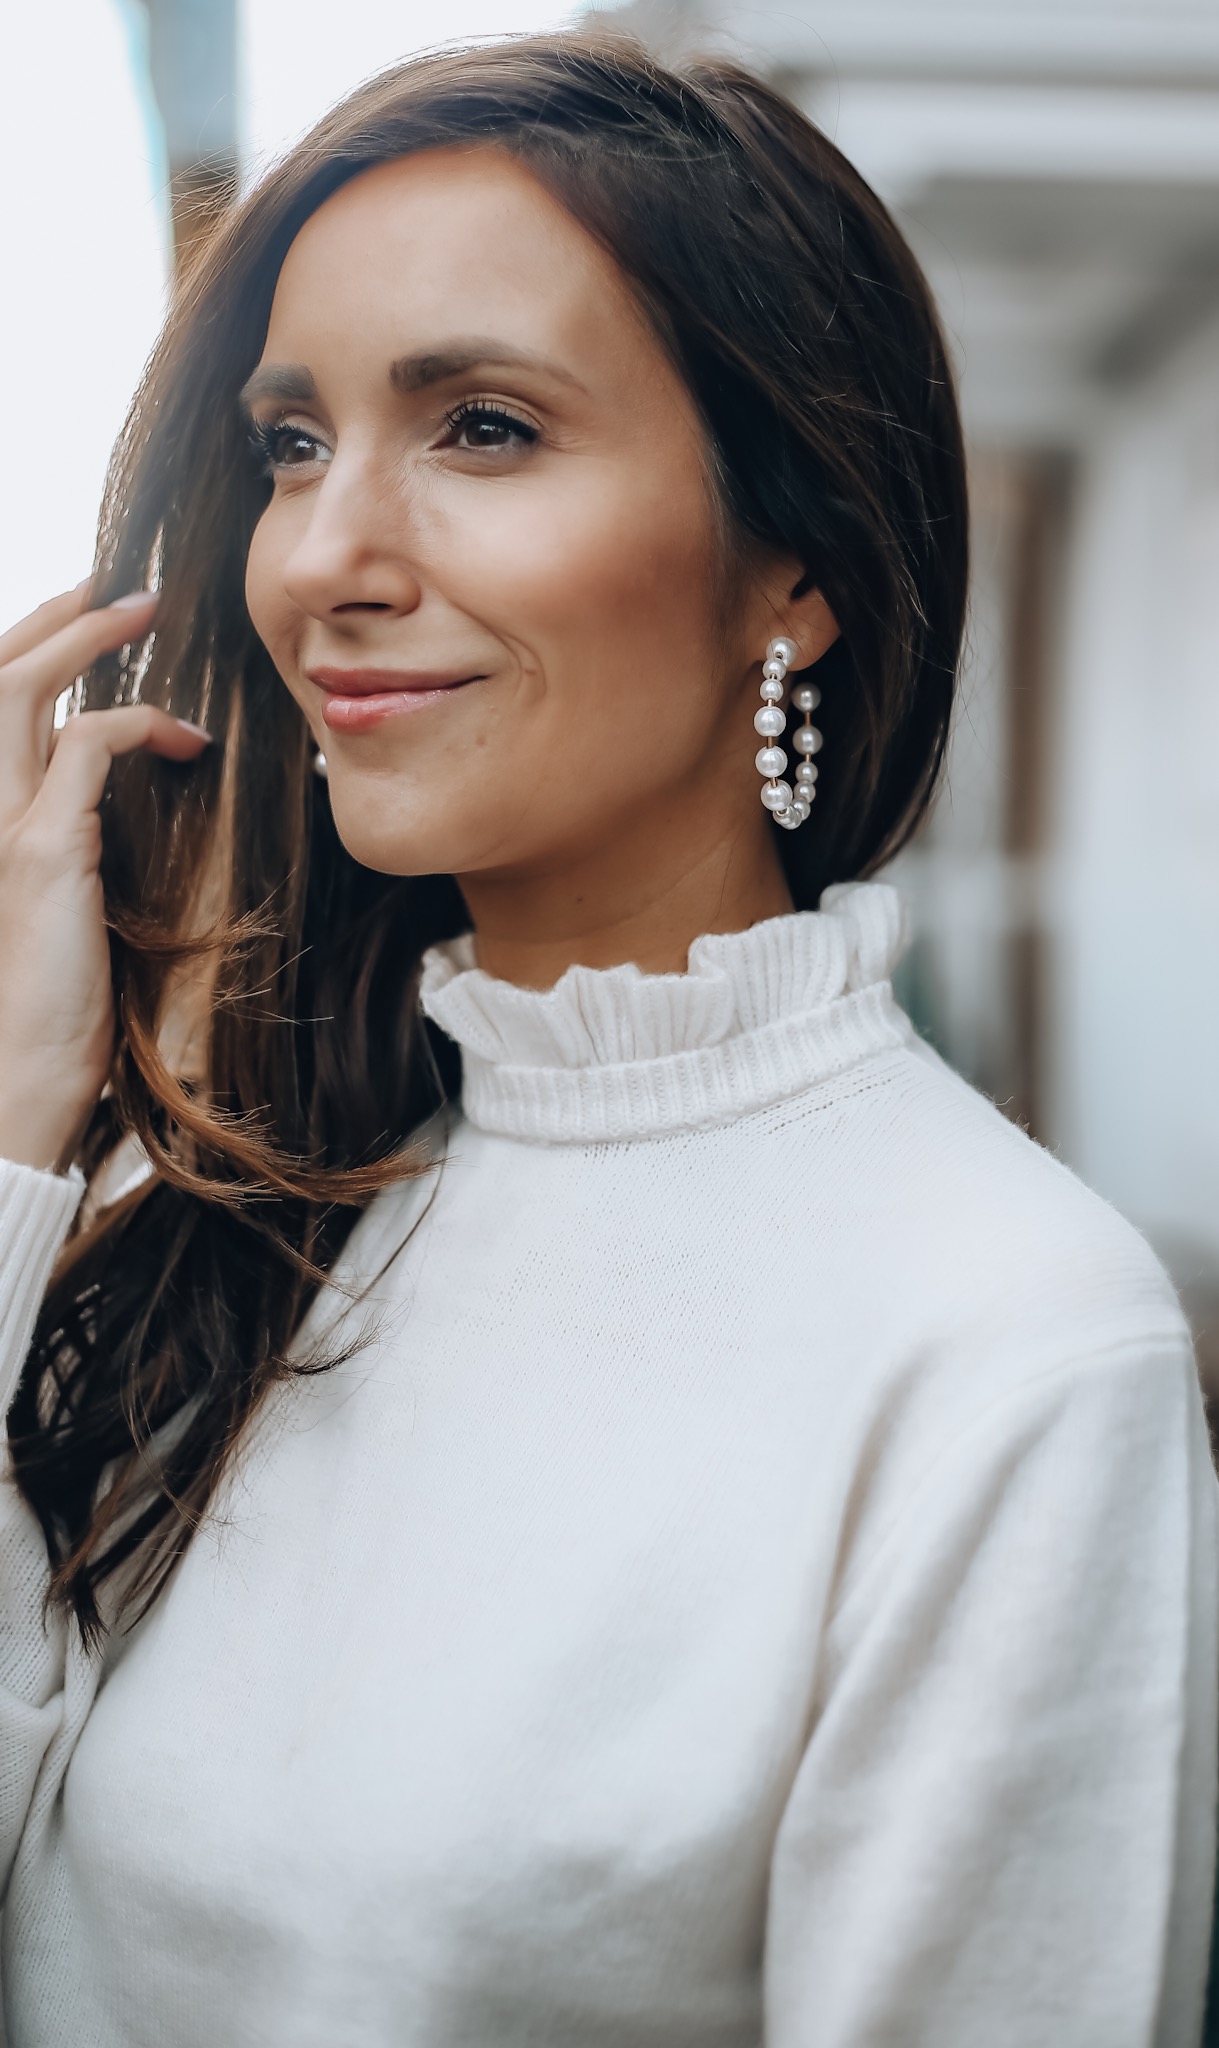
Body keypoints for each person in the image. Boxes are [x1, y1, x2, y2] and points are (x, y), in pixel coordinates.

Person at [0, 35, 1212, 2048]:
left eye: (478, 427)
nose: (319, 563)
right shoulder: (216, 1210)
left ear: (792, 573)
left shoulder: (1006, 1347)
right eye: (292, 446)